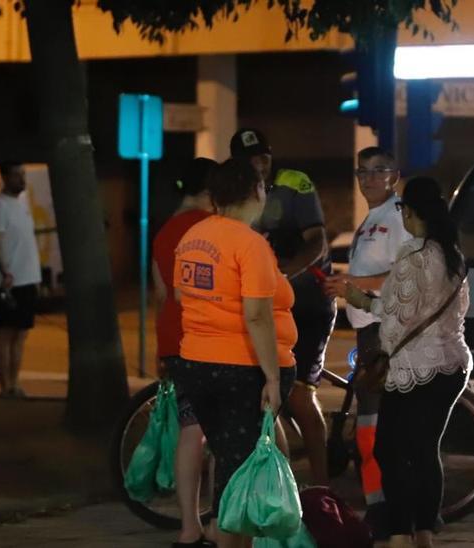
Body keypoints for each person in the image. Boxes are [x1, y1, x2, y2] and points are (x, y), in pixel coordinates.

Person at [170, 159, 296, 548]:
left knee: (228, 459)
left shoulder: (192, 236)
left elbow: (179, 295)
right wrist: (273, 378)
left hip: (196, 364)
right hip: (242, 369)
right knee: (237, 471)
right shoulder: (249, 243)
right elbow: (257, 315)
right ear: (255, 192)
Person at [342, 177, 471, 548]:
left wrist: (364, 302)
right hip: (453, 364)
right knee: (425, 450)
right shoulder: (453, 255)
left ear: (410, 212)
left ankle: (400, 533)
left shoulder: (412, 256)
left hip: (417, 369)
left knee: (390, 450)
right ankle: (424, 533)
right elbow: (455, 311)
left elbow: (398, 318)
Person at [230, 128, 334, 486]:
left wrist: (284, 274)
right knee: (268, 393)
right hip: (268, 304)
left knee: (300, 395)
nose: (259, 164)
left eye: (264, 156)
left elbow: (317, 241)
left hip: (307, 302)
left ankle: (323, 486)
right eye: (250, 159)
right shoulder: (240, 196)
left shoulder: (294, 184)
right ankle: (279, 481)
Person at [324, 146, 412, 536]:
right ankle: (381, 505)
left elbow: (407, 274)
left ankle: (386, 509)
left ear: (395, 175)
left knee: (373, 427)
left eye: (379, 172)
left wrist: (353, 284)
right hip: (368, 330)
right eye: (363, 172)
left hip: (386, 330)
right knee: (370, 427)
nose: (369, 179)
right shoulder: (371, 219)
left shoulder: (395, 217)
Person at [150, 157, 216, 548]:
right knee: (222, 431)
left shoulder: (163, 233)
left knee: (191, 429)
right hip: (207, 339)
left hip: (175, 341)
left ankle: (189, 527)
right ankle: (221, 520)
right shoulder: (210, 228)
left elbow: (161, 295)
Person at [0, 161, 41, 398]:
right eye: (17, 175)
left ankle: (15, 383)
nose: (22, 179)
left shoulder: (22, 204)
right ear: (4, 177)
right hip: (9, 281)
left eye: (23, 174)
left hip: (27, 280)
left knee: (21, 334)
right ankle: (4, 384)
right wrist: (5, 271)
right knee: (6, 332)